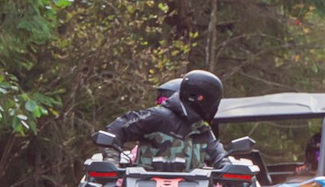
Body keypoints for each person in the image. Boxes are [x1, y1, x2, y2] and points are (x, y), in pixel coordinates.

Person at [94, 70, 227, 165]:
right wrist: (112, 159)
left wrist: (230, 167)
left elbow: (219, 156)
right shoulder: (159, 117)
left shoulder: (202, 130)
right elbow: (117, 129)